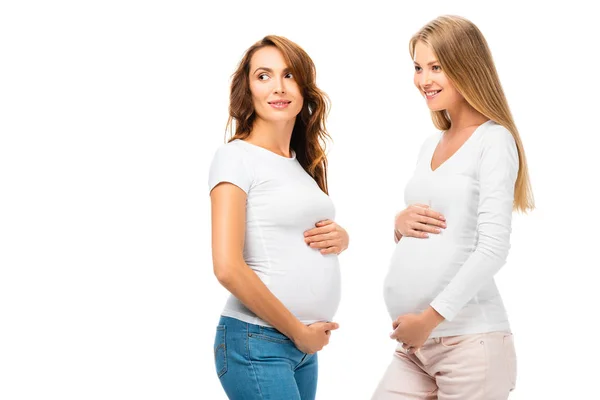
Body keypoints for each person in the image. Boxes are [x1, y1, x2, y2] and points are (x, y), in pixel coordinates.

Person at [372, 15, 535, 400]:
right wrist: (399, 223)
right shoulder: (431, 144)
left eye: (436, 67)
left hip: (470, 344)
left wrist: (429, 319)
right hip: (417, 349)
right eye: (417, 67)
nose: (423, 79)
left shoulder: (494, 140)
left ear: (466, 65)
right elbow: (440, 230)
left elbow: (493, 248)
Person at [209, 35, 349, 400]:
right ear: (248, 88)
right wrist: (297, 331)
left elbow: (289, 231)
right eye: (264, 76)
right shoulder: (235, 157)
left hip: (301, 348)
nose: (278, 87)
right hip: (257, 341)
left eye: (289, 75)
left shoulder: (301, 163)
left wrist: (341, 238)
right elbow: (227, 266)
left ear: (304, 88)